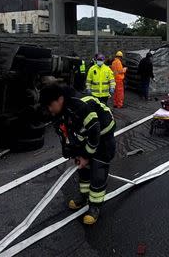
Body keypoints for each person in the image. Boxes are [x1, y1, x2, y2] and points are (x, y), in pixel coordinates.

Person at [39, 84, 116, 225]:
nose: (49, 110)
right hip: (86, 136)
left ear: (60, 99)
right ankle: (84, 197)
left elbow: (94, 130)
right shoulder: (59, 112)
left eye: (50, 105)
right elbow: (65, 133)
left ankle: (95, 207)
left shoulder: (80, 105)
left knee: (98, 170)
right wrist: (72, 152)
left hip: (103, 135)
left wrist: (86, 156)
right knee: (83, 170)